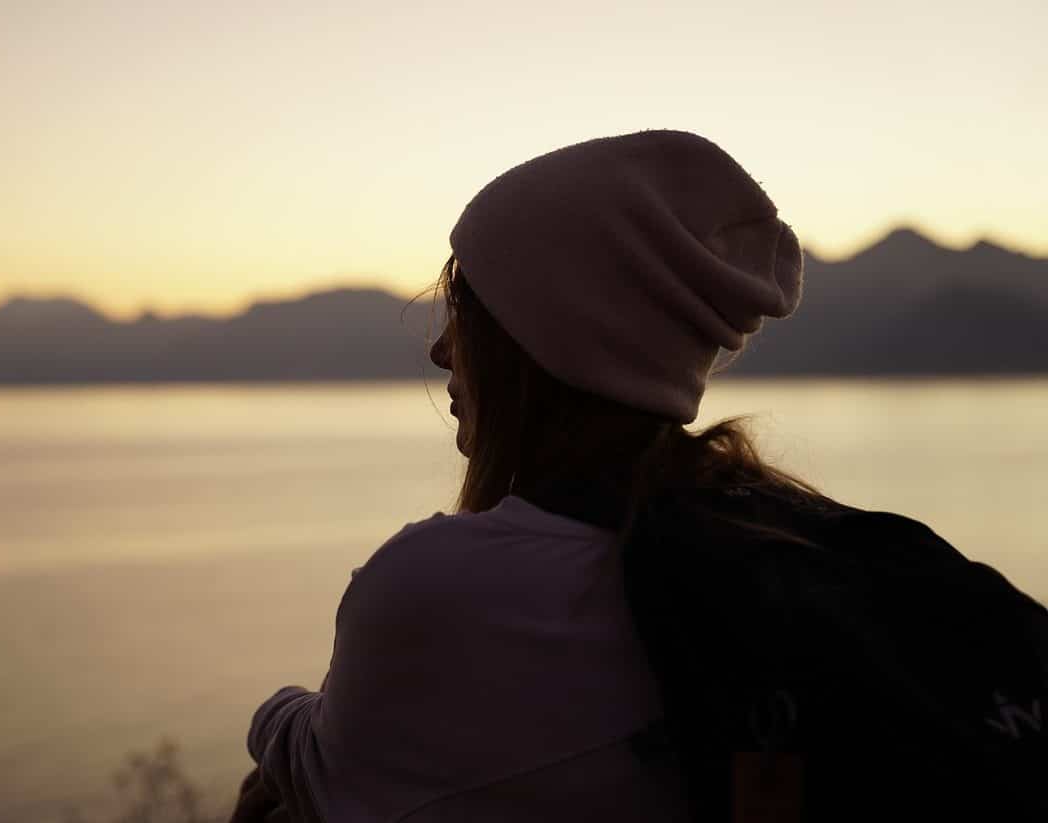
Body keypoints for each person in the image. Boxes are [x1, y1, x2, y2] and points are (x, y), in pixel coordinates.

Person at [234, 130, 1044, 822]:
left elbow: (313, 765)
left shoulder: (440, 587)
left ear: (533, 339)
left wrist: (271, 714)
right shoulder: (779, 537)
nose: (442, 349)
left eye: (464, 309)